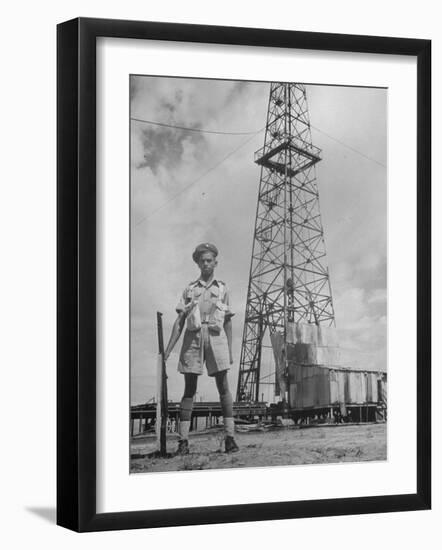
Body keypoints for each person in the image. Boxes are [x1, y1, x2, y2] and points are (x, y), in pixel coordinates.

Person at [164, 243, 239, 455]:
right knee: (189, 388)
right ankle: (183, 442)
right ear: (197, 263)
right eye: (202, 260)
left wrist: (230, 351)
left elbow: (228, 322)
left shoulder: (222, 288)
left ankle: (230, 438)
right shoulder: (190, 289)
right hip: (193, 338)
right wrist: (169, 349)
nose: (206, 264)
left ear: (215, 262)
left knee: (223, 386)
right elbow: (180, 321)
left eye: (209, 260)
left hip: (217, 338)